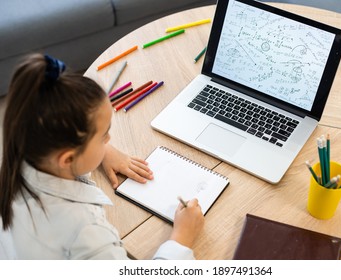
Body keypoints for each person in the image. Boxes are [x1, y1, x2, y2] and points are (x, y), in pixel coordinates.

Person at [0, 53, 204, 259]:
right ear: (68, 158)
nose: (109, 139)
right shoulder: (88, 235)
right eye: (103, 135)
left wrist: (101, 150)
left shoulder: (22, 154)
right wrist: (181, 239)